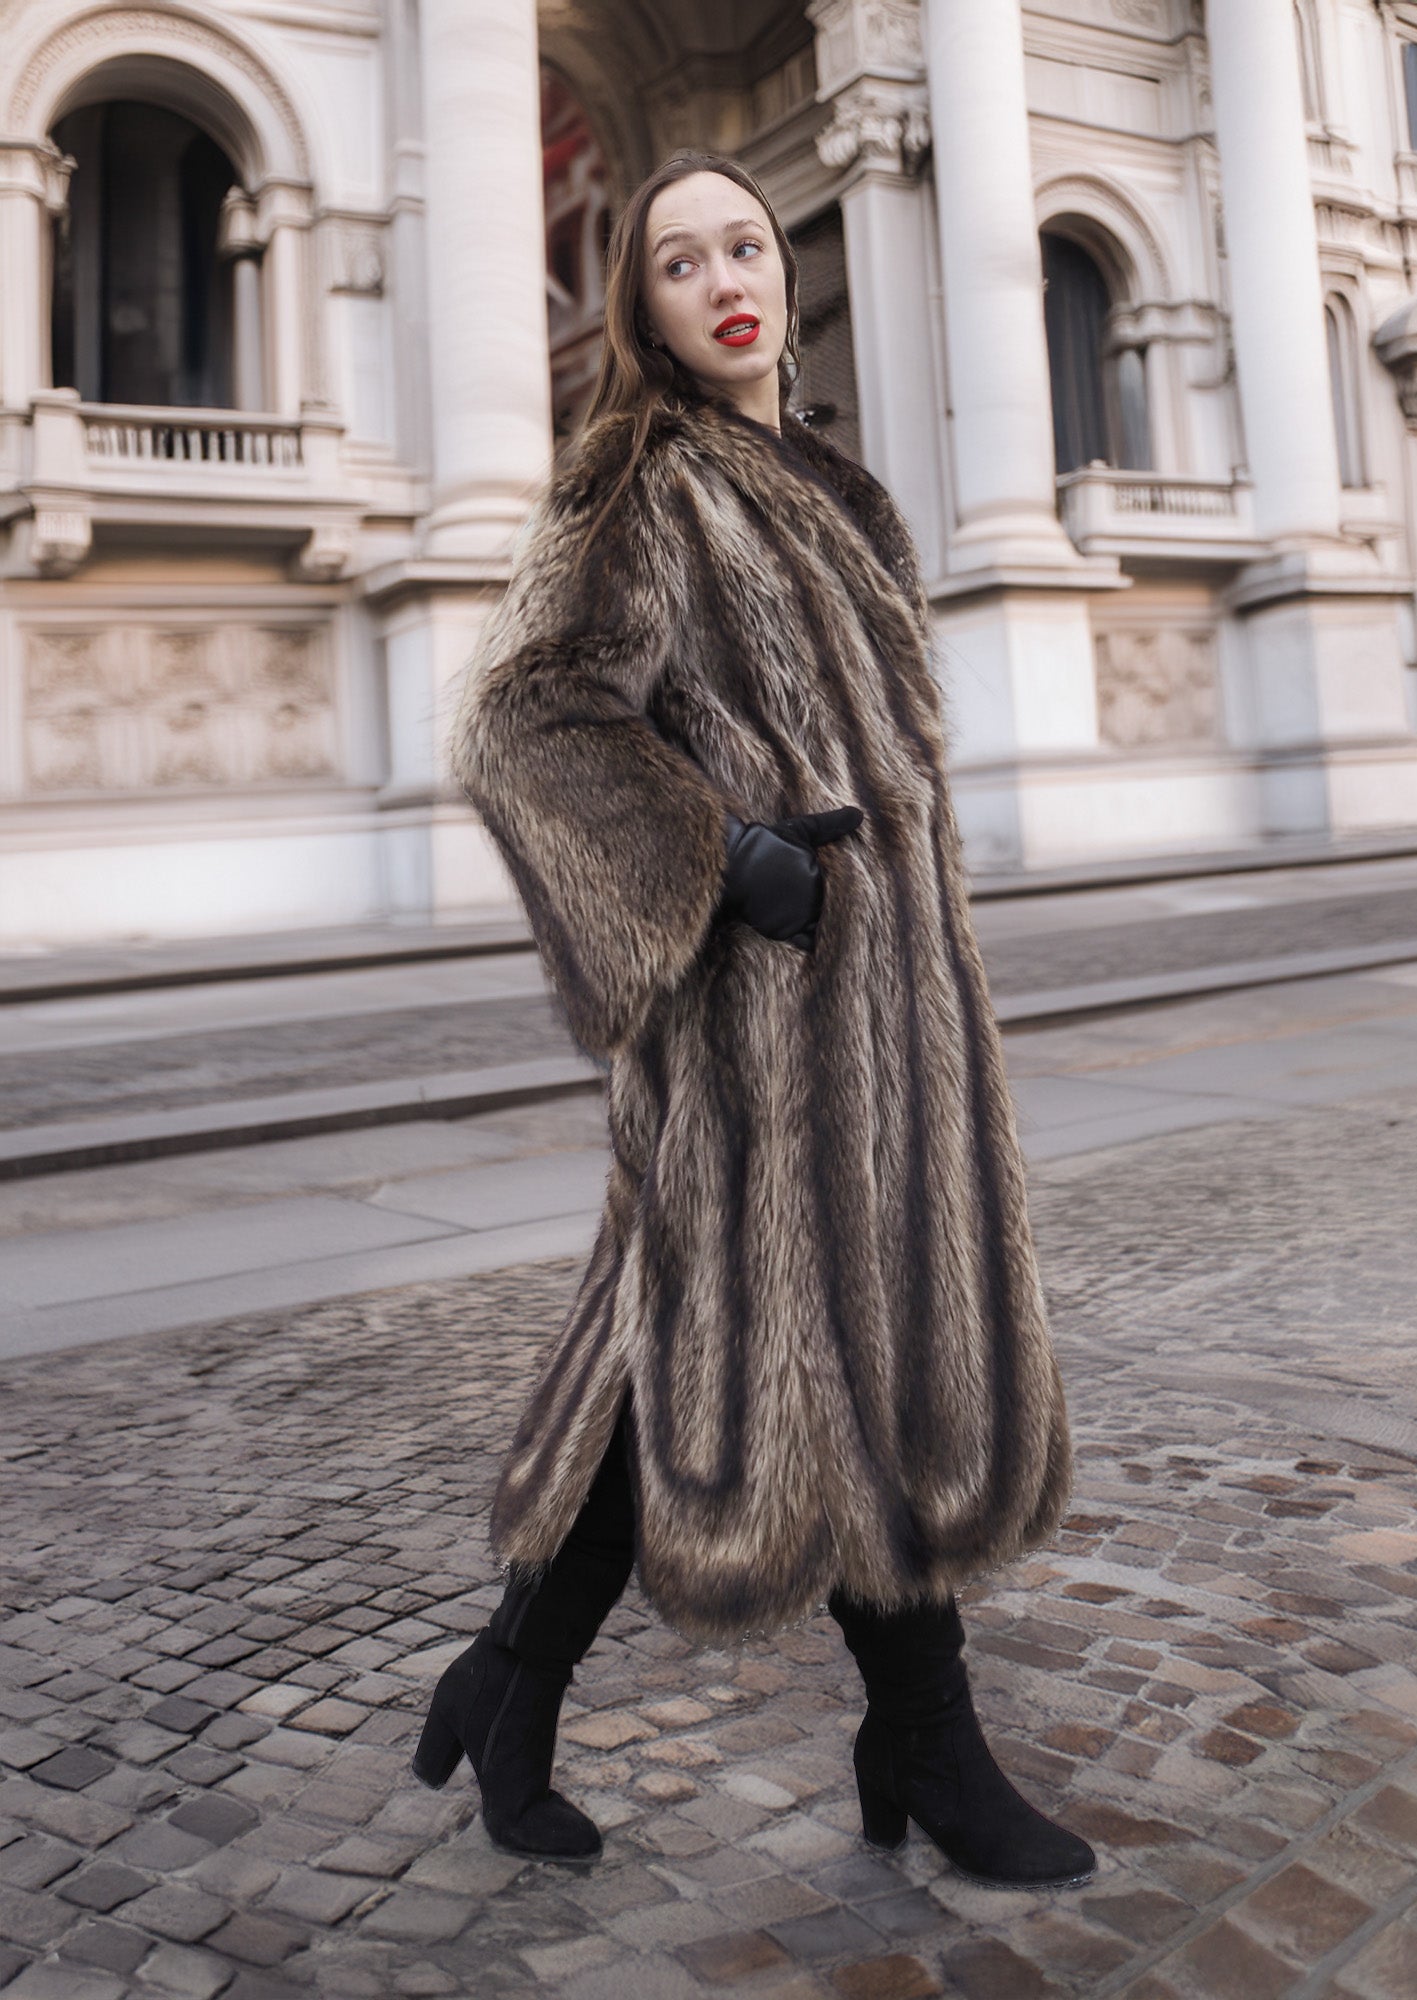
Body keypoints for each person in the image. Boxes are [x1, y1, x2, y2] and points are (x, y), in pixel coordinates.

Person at [415, 149, 1094, 1891]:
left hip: (889, 1016)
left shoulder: (833, 485)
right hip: (757, 1022)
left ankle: (518, 1685)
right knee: (785, 1355)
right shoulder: (642, 481)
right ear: (637, 308)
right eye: (674, 261)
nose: (725, 279)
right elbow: (521, 721)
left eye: (746, 245)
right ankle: (922, 1742)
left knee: (728, 1355)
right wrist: (721, 862)